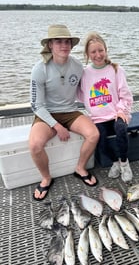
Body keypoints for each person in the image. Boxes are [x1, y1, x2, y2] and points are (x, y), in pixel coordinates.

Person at [29, 24, 99, 201]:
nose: (64, 45)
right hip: (47, 114)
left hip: (70, 111)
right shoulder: (39, 69)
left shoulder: (77, 65)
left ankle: (80, 168)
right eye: (58, 41)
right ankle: (46, 177)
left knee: (93, 134)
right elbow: (36, 105)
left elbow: (94, 83)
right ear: (50, 45)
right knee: (35, 145)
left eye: (67, 41)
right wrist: (56, 126)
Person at [77, 31, 133, 183]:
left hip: (116, 113)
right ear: (87, 54)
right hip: (98, 117)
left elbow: (126, 94)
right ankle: (114, 161)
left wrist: (121, 110)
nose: (98, 55)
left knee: (121, 130)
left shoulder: (116, 70)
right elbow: (80, 94)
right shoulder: (84, 73)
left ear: (106, 50)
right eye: (93, 52)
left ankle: (124, 163)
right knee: (99, 139)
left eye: (100, 50)